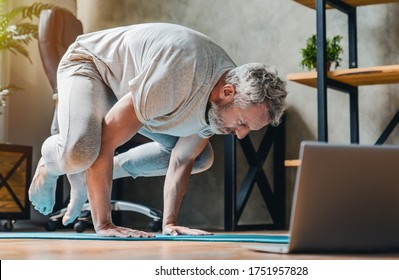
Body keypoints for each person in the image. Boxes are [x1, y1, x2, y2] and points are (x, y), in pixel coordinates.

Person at [28, 23, 288, 238]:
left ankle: (86, 176)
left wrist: (170, 223)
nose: (241, 134)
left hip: (141, 96)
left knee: (201, 157)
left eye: (248, 129)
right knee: (82, 151)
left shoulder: (218, 105)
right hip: (92, 67)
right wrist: (105, 225)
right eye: (242, 123)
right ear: (227, 93)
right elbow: (107, 143)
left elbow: (182, 158)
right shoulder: (180, 74)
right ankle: (50, 166)